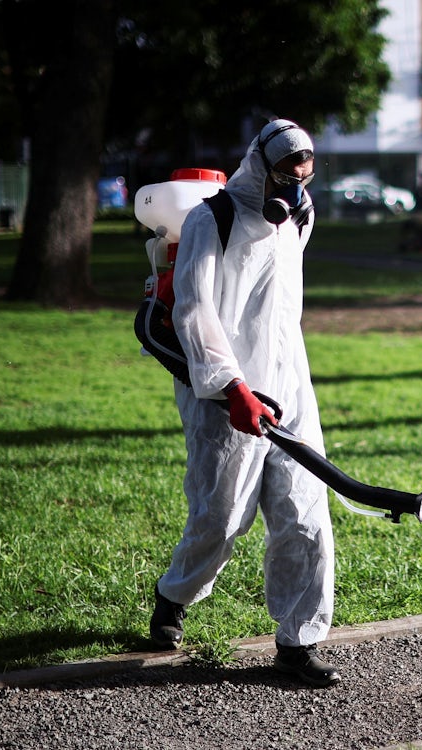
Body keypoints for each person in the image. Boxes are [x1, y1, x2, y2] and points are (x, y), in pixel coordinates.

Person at [148, 118, 340, 688]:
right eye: (286, 176)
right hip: (223, 390)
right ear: (260, 165)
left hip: (289, 382)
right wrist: (232, 388)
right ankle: (172, 597)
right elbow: (194, 311)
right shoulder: (214, 218)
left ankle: (297, 645)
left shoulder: (299, 218)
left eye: (305, 177)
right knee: (221, 518)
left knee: (306, 511)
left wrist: (280, 380)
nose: (295, 189)